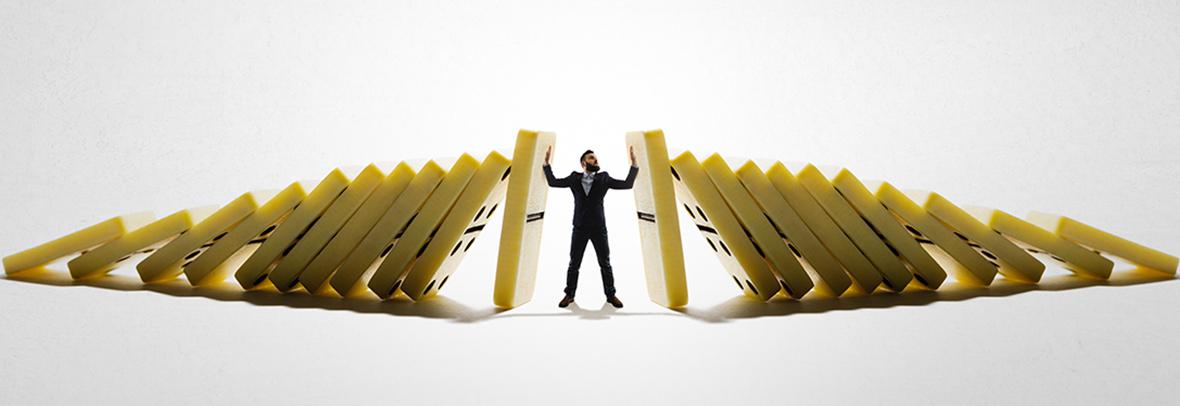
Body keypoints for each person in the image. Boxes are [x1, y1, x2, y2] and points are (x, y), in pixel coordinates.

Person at [543, 145, 638, 308]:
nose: (595, 159)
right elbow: (553, 182)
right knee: (574, 263)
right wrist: (546, 164)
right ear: (583, 163)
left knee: (605, 263)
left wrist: (634, 164)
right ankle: (569, 295)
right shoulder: (574, 178)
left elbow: (627, 184)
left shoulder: (604, 178)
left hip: (598, 228)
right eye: (591, 158)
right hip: (579, 227)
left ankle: (611, 295)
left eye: (595, 157)